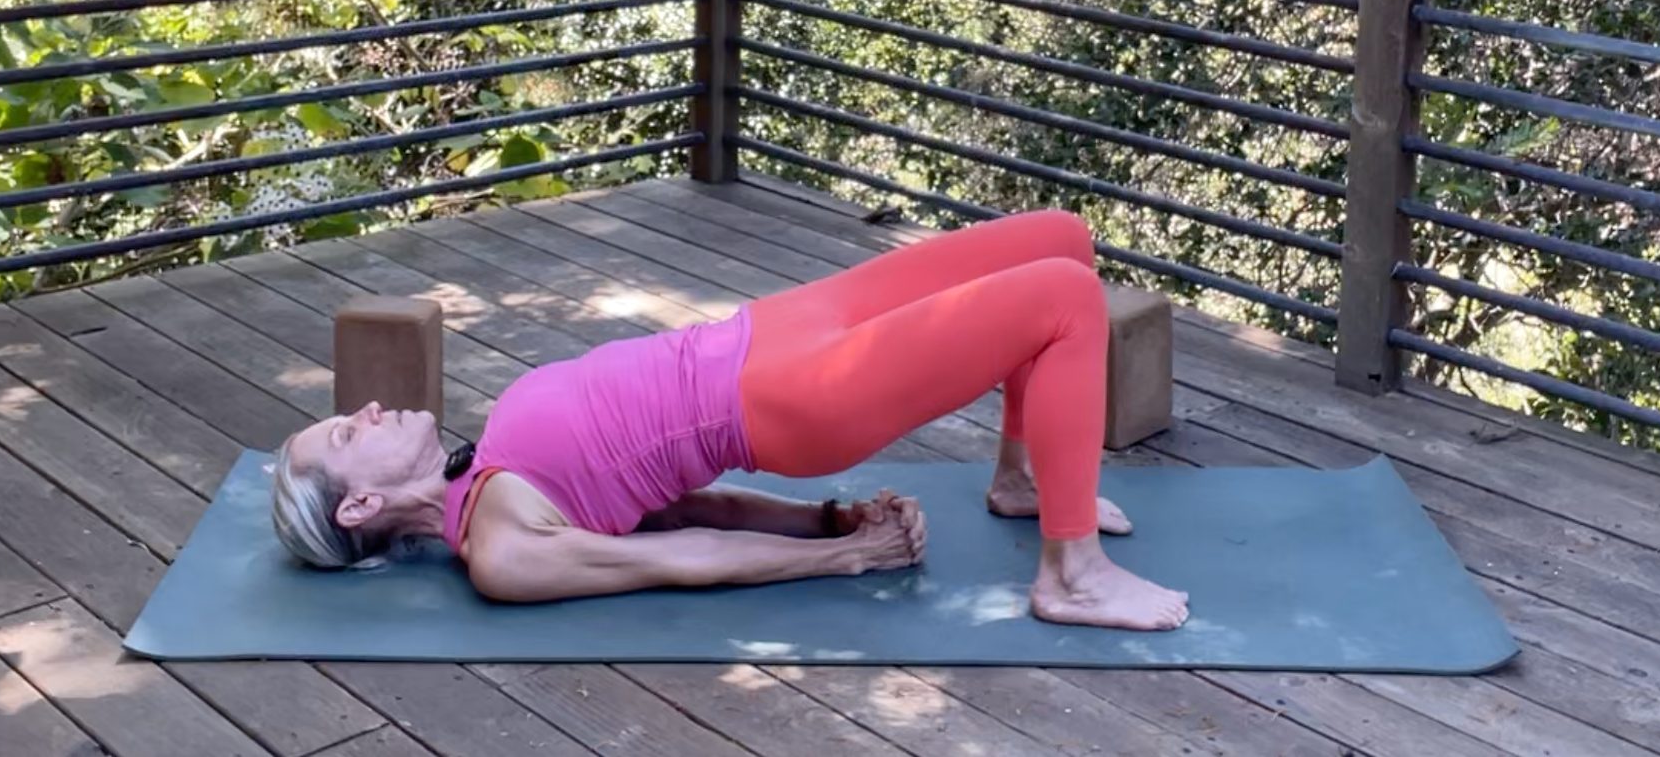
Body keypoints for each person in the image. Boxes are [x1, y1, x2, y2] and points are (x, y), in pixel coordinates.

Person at [269, 209, 1189, 630]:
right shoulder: (503, 554)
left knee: (1060, 240)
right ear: (357, 509)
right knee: (1066, 298)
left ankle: (1020, 479)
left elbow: (679, 509)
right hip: (794, 396)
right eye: (349, 433)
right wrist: (845, 555)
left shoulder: (485, 482)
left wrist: (826, 518)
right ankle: (1073, 575)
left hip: (771, 330)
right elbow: (679, 561)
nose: (370, 410)